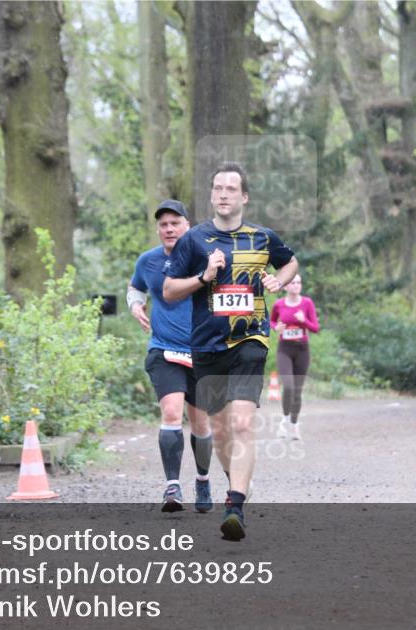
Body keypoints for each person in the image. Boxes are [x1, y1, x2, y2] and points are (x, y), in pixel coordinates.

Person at [164, 162, 299, 541]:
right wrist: (203, 277)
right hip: (206, 346)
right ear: (211, 195)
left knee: (241, 423)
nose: (223, 194)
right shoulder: (193, 241)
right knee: (221, 433)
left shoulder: (262, 237)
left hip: (250, 340)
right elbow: (169, 290)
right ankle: (236, 481)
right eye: (217, 188)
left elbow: (290, 261)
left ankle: (235, 505)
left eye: (230, 189)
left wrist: (279, 278)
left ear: (244, 197)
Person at [128, 199, 214, 513]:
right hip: (164, 350)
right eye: (163, 224)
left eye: (174, 223)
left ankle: (203, 480)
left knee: (201, 425)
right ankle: (172, 487)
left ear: (186, 226)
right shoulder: (147, 261)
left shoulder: (205, 260)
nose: (168, 229)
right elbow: (135, 288)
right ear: (158, 229)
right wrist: (135, 305)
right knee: (171, 412)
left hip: (202, 353)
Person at [270, 275, 319, 440]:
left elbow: (315, 328)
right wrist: (277, 327)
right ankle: (283, 422)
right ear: (285, 287)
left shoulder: (307, 303)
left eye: (298, 282)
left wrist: (303, 321)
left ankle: (294, 425)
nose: (296, 285)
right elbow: (271, 322)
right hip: (284, 349)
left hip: (302, 350)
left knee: (297, 391)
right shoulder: (279, 304)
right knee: (288, 387)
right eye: (292, 283)